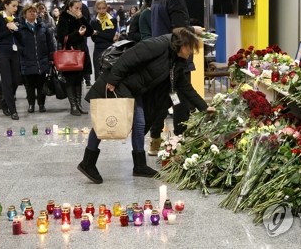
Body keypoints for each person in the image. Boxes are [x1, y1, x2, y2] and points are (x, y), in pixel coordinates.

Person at [80, 27, 210, 182]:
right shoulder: (159, 45)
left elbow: (185, 87)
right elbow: (129, 57)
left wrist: (204, 107)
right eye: (190, 49)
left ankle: (139, 165)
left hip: (135, 88)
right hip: (121, 82)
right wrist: (113, 80)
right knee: (108, 119)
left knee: (139, 123)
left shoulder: (176, 60)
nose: (191, 53)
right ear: (182, 44)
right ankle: (88, 162)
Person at [149, 0, 203, 155]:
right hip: (176, 56)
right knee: (181, 101)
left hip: (159, 57)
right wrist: (194, 30)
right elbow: (179, 29)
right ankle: (180, 141)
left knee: (160, 101)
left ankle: (155, 141)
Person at [56, 0, 94, 116]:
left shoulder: (80, 18)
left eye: (80, 8)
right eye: (76, 8)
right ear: (70, 8)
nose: (78, 10)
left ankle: (79, 104)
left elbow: (90, 31)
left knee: (79, 79)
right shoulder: (63, 18)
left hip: (81, 51)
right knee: (70, 80)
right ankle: (73, 105)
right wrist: (78, 34)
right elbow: (62, 38)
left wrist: (82, 18)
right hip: (70, 53)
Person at [16, 4, 55, 113]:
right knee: (29, 85)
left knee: (41, 85)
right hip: (27, 60)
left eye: (34, 11)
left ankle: (41, 105)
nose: (32, 13)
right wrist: (22, 52)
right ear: (24, 14)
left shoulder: (43, 27)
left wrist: (51, 57)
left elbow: (50, 43)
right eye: (30, 12)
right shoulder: (20, 28)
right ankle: (31, 104)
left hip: (42, 60)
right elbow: (17, 43)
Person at [0, 0, 22, 120]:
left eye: (16, 6)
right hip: (2, 53)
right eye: (13, 6)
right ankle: (12, 110)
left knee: (16, 81)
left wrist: (16, 29)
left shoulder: (16, 19)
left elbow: (21, 37)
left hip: (14, 53)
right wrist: (9, 30)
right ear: (6, 5)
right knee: (7, 82)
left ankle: (4, 103)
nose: (15, 8)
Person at [65, 0, 92, 86]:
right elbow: (88, 20)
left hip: (72, 38)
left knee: (73, 56)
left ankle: (77, 78)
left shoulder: (67, 6)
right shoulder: (83, 6)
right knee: (84, 55)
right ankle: (87, 79)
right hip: (82, 36)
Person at [90, 0, 119, 81]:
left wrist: (98, 33)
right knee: (99, 75)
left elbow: (110, 36)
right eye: (99, 8)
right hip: (98, 50)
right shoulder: (93, 22)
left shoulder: (113, 20)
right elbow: (94, 39)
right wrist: (106, 36)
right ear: (96, 9)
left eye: (103, 8)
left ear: (106, 8)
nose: (101, 10)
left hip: (110, 50)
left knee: (110, 74)